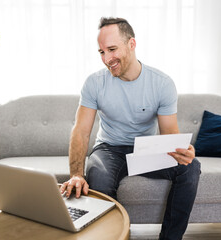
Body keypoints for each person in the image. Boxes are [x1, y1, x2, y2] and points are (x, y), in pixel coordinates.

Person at [60, 17, 201, 240]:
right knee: (98, 183)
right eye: (102, 52)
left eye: (112, 49)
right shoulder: (94, 83)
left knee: (190, 167)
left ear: (132, 44)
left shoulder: (162, 84)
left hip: (145, 149)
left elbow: (169, 135)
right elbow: (81, 131)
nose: (107, 59)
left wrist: (182, 151)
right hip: (108, 149)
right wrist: (76, 174)